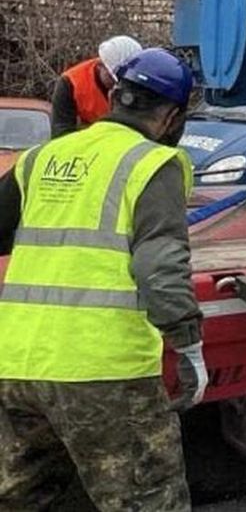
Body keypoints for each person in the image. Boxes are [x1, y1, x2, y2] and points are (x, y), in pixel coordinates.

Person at [0, 48, 207, 512]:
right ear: (173, 117)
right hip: (102, 372)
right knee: (148, 499)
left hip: (15, 364)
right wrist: (188, 344)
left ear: (115, 95)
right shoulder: (153, 164)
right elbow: (160, 266)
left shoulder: (42, 157)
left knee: (21, 498)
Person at [49, 35, 143, 139]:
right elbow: (61, 132)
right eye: (113, 78)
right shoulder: (71, 83)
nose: (118, 85)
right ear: (100, 65)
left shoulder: (139, 84)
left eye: (124, 80)